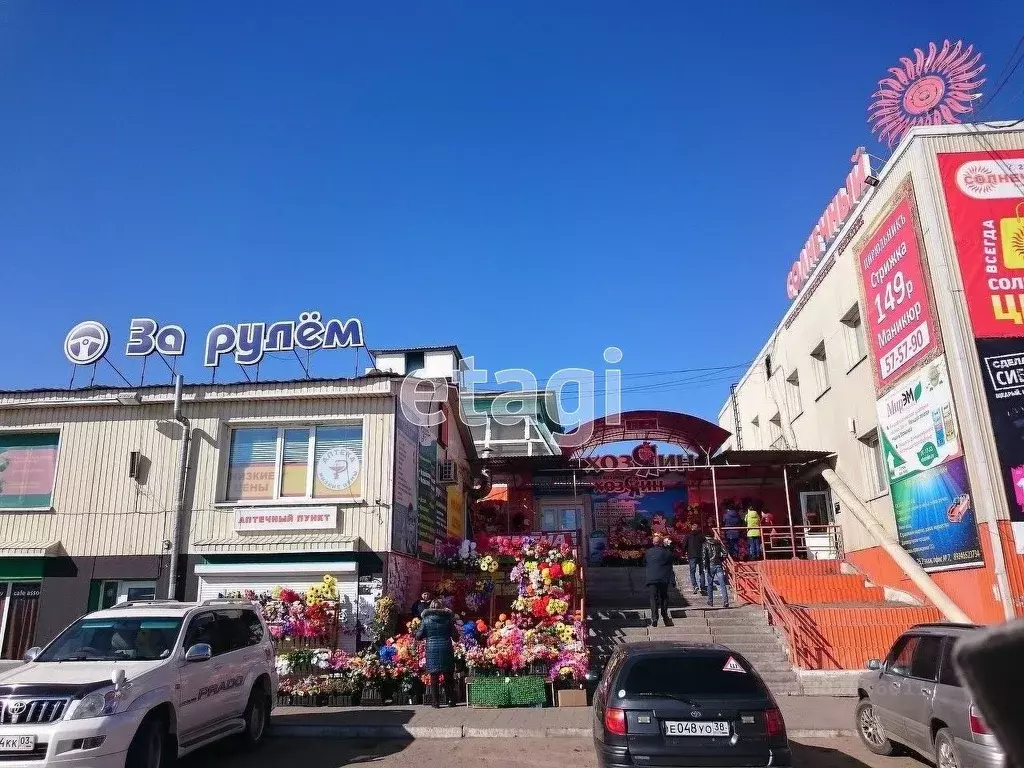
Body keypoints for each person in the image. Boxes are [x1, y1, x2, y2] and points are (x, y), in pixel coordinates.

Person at [415, 600, 458, 707]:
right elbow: (455, 636)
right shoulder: (448, 619)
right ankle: (451, 700)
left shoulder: (426, 619)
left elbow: (419, 635)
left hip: (432, 649)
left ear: (430, 608)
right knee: (448, 676)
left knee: (434, 677)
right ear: (442, 607)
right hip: (446, 648)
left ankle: (436, 702)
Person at [644, 533, 674, 627]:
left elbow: (644, 561)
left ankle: (654, 618)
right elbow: (672, 559)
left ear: (653, 543)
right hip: (663, 578)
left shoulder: (648, 552)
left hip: (652, 578)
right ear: (661, 543)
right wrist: (668, 545)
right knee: (664, 597)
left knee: (653, 598)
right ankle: (664, 616)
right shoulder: (667, 552)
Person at [702, 535, 730, 609]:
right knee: (722, 584)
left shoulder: (705, 544)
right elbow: (725, 553)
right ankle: (725, 601)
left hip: (710, 566)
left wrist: (704, 567)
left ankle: (710, 601)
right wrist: (721, 559)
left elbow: (704, 557)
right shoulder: (718, 543)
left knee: (710, 584)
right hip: (718, 565)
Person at [683, 523, 706, 596]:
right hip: (701, 555)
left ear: (692, 528)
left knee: (692, 572)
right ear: (697, 528)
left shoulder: (688, 536)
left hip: (692, 556)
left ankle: (695, 585)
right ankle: (702, 587)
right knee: (701, 572)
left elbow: (684, 545)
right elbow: (705, 544)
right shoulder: (701, 536)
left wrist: (684, 553)